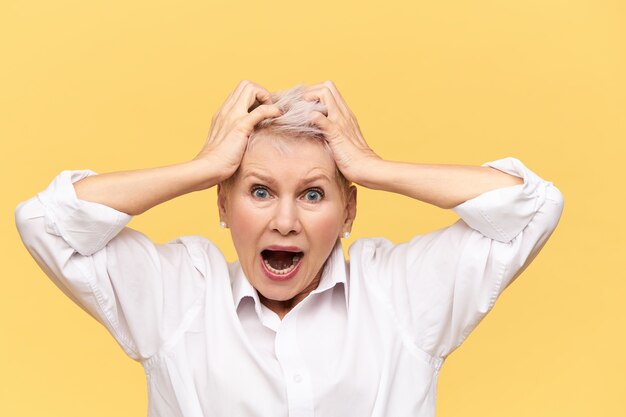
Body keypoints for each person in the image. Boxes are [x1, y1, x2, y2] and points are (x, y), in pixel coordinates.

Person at [15, 80, 564, 417]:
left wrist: (372, 167)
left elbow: (532, 207)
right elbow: (46, 220)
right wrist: (203, 166)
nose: (284, 220)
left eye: (313, 194)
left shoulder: (398, 291)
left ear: (348, 210)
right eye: (258, 191)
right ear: (223, 207)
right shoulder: (179, 293)